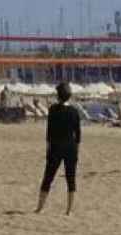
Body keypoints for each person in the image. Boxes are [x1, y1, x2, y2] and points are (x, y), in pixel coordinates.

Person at [35, 82, 81, 216]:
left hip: (55, 146)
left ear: (58, 96)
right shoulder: (74, 111)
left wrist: (48, 149)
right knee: (70, 178)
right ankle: (69, 210)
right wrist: (76, 150)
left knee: (48, 177)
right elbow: (78, 134)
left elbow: (49, 133)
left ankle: (40, 207)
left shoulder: (53, 110)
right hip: (70, 147)